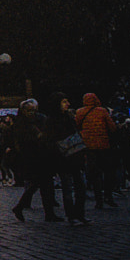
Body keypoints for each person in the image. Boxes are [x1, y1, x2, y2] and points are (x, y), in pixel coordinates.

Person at [9, 98, 59, 223]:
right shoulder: (22, 123)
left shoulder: (37, 119)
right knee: (41, 184)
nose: (31, 112)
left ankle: (45, 212)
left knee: (38, 184)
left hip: (40, 156)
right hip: (33, 157)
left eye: (33, 110)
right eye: (29, 110)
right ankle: (47, 213)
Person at [46, 93, 89, 225]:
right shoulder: (52, 120)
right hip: (64, 159)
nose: (67, 104)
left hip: (74, 157)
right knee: (68, 188)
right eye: (64, 102)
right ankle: (72, 216)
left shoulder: (69, 117)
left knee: (80, 187)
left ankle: (79, 214)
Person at [76, 92, 118, 209]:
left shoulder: (80, 112)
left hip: (88, 147)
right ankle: (108, 195)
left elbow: (77, 127)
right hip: (104, 146)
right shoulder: (102, 111)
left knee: (95, 174)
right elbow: (112, 127)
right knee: (108, 171)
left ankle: (98, 199)